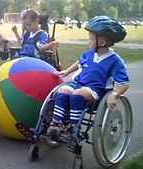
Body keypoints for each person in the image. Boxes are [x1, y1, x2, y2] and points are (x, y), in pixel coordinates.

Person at [47, 16, 130, 149]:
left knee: (77, 94)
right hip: (79, 83)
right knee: (62, 91)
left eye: (91, 39)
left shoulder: (115, 61)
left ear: (103, 42)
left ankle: (73, 128)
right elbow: (79, 63)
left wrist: (114, 94)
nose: (88, 41)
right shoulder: (89, 53)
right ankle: (56, 124)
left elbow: (124, 83)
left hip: (97, 89)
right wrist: (67, 71)